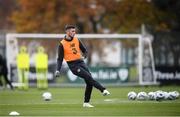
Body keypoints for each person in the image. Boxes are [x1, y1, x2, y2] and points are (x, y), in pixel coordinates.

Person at [55, 25, 110, 107]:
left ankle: (86, 103)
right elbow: (59, 59)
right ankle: (103, 89)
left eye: (74, 31)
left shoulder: (77, 39)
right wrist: (57, 70)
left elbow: (85, 50)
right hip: (73, 65)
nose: (74, 32)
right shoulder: (62, 44)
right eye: (72, 31)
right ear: (67, 32)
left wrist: (85, 55)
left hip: (81, 63)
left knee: (89, 82)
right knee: (88, 77)